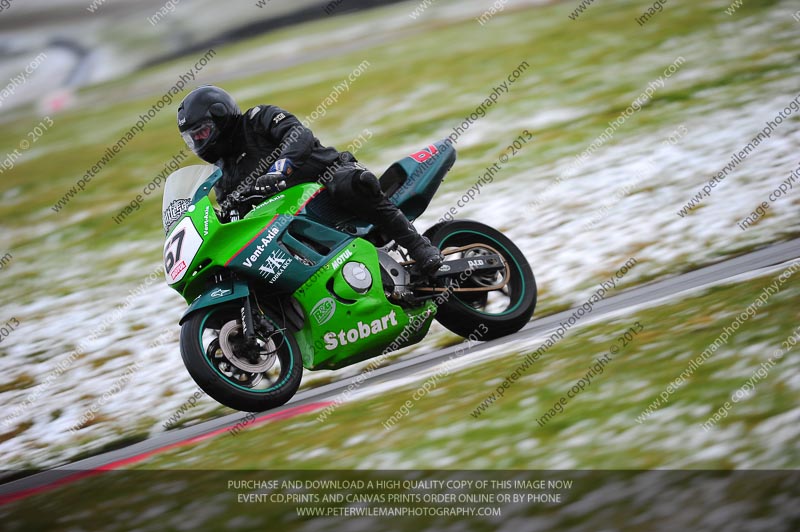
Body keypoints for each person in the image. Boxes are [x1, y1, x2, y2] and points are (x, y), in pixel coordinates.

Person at [176, 85, 443, 274]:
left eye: (202, 132)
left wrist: (281, 168)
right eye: (192, 138)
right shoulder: (223, 176)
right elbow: (235, 216)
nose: (199, 142)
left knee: (351, 185)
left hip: (327, 177)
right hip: (291, 218)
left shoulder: (258, 119)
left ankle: (419, 246)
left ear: (221, 116)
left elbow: (299, 136)